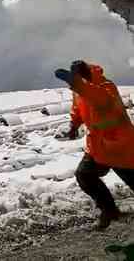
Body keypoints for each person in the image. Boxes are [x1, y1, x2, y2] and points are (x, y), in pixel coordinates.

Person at [55, 60, 134, 230]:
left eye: (79, 77)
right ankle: (110, 211)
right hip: (98, 146)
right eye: (75, 78)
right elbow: (78, 108)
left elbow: (102, 100)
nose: (78, 80)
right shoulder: (80, 90)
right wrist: (73, 126)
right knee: (84, 175)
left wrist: (78, 84)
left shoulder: (106, 86)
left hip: (119, 145)